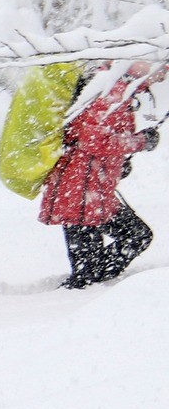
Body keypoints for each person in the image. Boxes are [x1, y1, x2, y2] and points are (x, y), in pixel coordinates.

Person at [41, 62, 162, 288]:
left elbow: (92, 138)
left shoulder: (115, 87)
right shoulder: (111, 91)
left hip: (89, 188)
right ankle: (79, 306)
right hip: (80, 190)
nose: (160, 77)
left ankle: (95, 294)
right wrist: (141, 141)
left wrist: (117, 163)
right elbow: (94, 140)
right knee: (89, 273)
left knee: (135, 237)